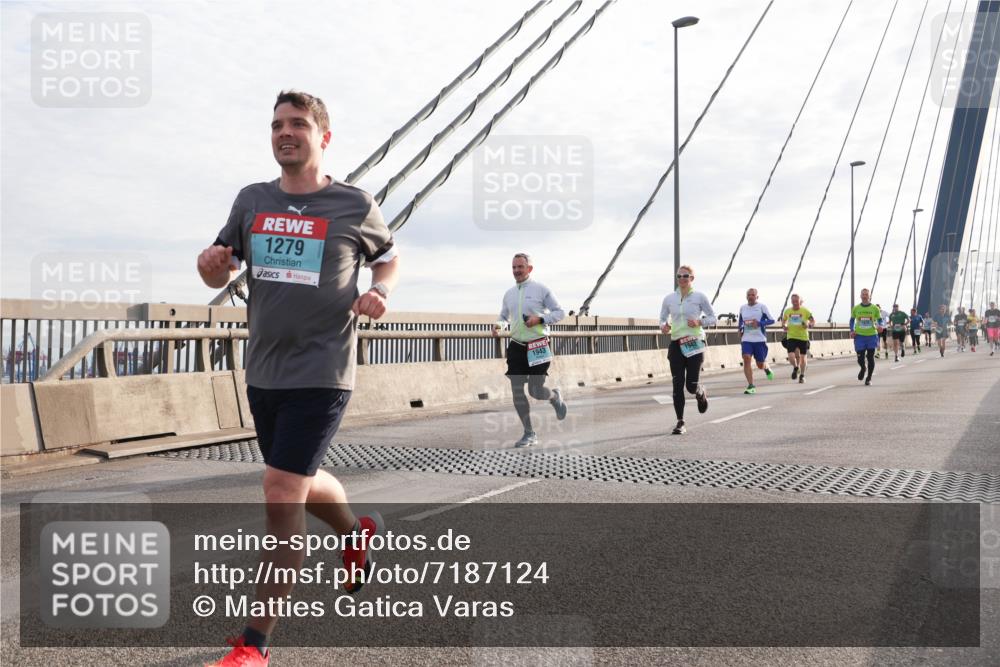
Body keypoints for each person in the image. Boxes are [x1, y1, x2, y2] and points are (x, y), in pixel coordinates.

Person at [198, 90, 400, 667]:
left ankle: (254, 643)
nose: (285, 132)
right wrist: (209, 265)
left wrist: (379, 290)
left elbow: (387, 255)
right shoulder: (252, 201)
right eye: (277, 125)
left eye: (298, 124)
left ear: (323, 137)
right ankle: (358, 530)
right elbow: (218, 268)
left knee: (280, 491)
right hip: (263, 370)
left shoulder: (353, 204)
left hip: (323, 369)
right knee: (301, 480)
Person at [493, 253, 567, 447]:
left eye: (520, 267)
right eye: (514, 268)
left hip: (538, 345)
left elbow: (560, 313)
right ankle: (529, 433)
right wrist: (499, 327)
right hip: (516, 345)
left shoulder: (541, 289)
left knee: (535, 390)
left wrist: (540, 319)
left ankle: (553, 396)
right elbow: (503, 317)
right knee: (517, 391)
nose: (516, 271)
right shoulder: (509, 293)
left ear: (529, 269)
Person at [659, 265, 716, 434]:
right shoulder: (669, 298)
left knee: (691, 386)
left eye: (685, 276)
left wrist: (700, 322)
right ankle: (680, 422)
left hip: (694, 342)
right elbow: (662, 318)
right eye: (679, 276)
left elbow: (713, 317)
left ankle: (700, 392)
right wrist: (664, 326)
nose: (682, 279)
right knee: (677, 384)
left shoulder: (700, 297)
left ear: (692, 278)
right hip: (676, 343)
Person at [738, 288, 775, 394]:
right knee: (746, 358)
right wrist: (740, 330)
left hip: (759, 339)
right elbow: (741, 321)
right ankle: (751, 385)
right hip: (747, 339)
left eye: (753, 295)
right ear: (746, 297)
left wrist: (759, 323)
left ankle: (766, 367)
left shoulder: (762, 307)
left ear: (757, 297)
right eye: (749, 295)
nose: (750, 297)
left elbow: (772, 320)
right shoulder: (742, 308)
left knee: (760, 365)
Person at [850, 288, 883, 386]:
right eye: (863, 294)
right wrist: (852, 330)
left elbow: (880, 320)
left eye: (866, 295)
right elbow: (852, 320)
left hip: (872, 335)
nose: (864, 296)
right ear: (860, 296)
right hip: (859, 336)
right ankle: (863, 368)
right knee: (860, 358)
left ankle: (869, 378)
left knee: (870, 357)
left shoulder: (875, 308)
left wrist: (880, 325)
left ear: (869, 296)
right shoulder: (856, 308)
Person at [782, 294, 814, 383]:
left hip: (803, 337)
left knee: (803, 358)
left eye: (796, 301)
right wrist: (784, 325)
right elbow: (784, 320)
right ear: (791, 301)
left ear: (800, 301)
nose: (795, 303)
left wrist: (809, 325)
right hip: (791, 336)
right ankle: (796, 367)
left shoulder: (805, 311)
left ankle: (802, 375)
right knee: (791, 356)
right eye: (793, 301)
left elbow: (812, 321)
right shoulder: (788, 311)